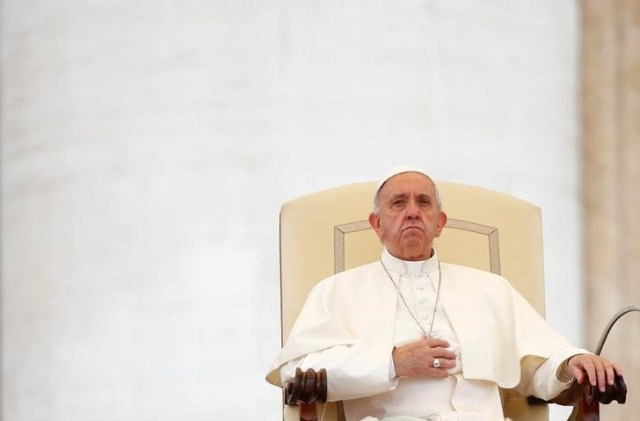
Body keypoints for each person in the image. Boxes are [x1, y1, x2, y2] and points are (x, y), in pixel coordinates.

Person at [266, 166, 622, 421]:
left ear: (440, 222)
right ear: (377, 224)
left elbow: (538, 369)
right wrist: (393, 362)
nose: (412, 213)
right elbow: (297, 372)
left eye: (423, 203)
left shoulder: (491, 290)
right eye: (398, 204)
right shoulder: (338, 291)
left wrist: (572, 363)